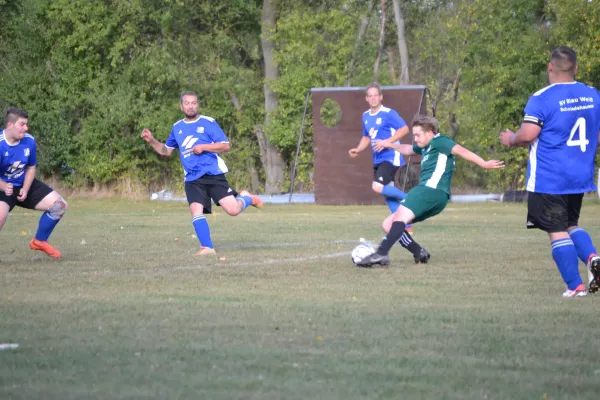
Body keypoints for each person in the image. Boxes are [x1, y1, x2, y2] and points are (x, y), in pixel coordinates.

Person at [499, 46, 600, 297]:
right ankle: (593, 258)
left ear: (550, 67)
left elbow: (529, 134)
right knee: (571, 223)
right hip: (579, 175)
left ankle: (575, 287)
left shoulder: (542, 97)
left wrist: (511, 138)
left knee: (556, 230)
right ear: (575, 68)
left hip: (550, 176)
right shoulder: (592, 94)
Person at [355, 115, 504, 267]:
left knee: (398, 219)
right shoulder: (426, 146)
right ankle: (418, 252)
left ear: (430, 132)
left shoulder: (440, 141)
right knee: (388, 224)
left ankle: (381, 253)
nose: (416, 138)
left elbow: (462, 151)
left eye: (418, 134)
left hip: (430, 190)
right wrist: (389, 144)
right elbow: (408, 149)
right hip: (436, 197)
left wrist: (484, 163)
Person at [141, 91, 263, 256]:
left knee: (233, 210)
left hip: (213, 175)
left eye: (193, 103)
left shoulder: (208, 122)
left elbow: (225, 145)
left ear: (197, 105)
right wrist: (152, 140)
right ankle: (207, 247)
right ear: (181, 106)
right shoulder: (177, 127)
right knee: (196, 210)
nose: (190, 106)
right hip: (192, 178)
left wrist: (203, 147)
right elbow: (166, 151)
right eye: (187, 103)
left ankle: (247, 197)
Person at [0, 107, 68, 258]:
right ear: (10, 125)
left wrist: (25, 187)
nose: (26, 128)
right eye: (22, 124)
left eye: (26, 124)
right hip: (2, 188)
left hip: (23, 184)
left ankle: (39, 241)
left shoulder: (29, 141)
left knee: (59, 205)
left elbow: (31, 167)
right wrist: (4, 186)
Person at [349, 82, 413, 233]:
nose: (373, 98)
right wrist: (358, 149)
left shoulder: (389, 113)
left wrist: (387, 142)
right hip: (378, 159)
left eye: (375, 95)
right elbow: (366, 137)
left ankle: (409, 200)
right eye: (370, 96)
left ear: (381, 97)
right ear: (366, 98)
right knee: (388, 194)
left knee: (377, 187)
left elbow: (404, 129)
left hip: (391, 156)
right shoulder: (365, 116)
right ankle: (406, 225)